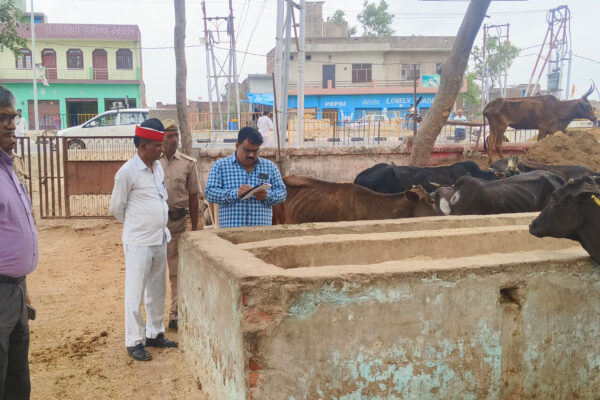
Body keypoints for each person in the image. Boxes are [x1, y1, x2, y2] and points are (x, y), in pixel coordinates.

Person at [109, 118, 178, 362]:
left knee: (157, 290)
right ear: (142, 146)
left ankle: (154, 332)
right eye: (157, 145)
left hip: (160, 238)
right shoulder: (127, 172)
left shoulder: (157, 168)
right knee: (135, 293)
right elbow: (116, 208)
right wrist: (137, 224)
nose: (161, 149)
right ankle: (134, 340)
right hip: (138, 241)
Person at [0, 85, 38, 399]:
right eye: (3, 118)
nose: (11, 125)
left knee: (16, 379)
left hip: (16, 290)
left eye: (13, 117)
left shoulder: (9, 169)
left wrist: (23, 289)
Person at [159, 119, 202, 332]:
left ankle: (175, 314)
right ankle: (154, 319)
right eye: (170, 136)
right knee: (155, 273)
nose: (174, 140)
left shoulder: (188, 164)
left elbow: (194, 197)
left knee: (176, 272)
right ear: (161, 138)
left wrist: (195, 228)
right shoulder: (151, 163)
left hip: (177, 224)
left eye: (176, 135)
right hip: (154, 226)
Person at [205, 126, 286, 228]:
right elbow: (209, 193)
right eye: (247, 150)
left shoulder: (270, 167)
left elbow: (282, 193)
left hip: (261, 232)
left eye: (256, 151)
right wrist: (235, 194)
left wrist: (267, 196)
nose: (251, 155)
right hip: (231, 233)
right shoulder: (220, 166)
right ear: (237, 145)